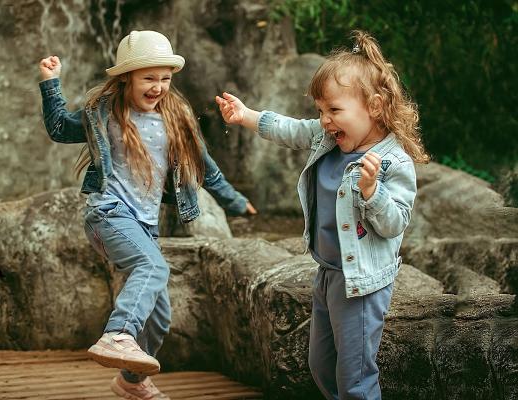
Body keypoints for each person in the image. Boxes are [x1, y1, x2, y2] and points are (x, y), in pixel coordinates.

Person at [39, 30, 256, 400]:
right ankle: (118, 334)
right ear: (126, 77)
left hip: (144, 225)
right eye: (149, 78)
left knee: (159, 317)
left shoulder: (177, 119)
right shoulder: (103, 112)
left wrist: (235, 201)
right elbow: (59, 127)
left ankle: (130, 381)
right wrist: (50, 83)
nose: (158, 87)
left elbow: (206, 167)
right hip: (107, 212)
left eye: (165, 79)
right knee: (154, 268)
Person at [216, 30, 429, 400]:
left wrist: (372, 193)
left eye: (334, 110)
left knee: (356, 377)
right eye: (320, 111)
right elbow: (290, 129)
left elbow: (395, 223)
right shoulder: (327, 137)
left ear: (375, 107)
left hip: (360, 284)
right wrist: (246, 116)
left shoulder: (392, 163)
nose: (325, 120)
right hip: (328, 273)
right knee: (320, 364)